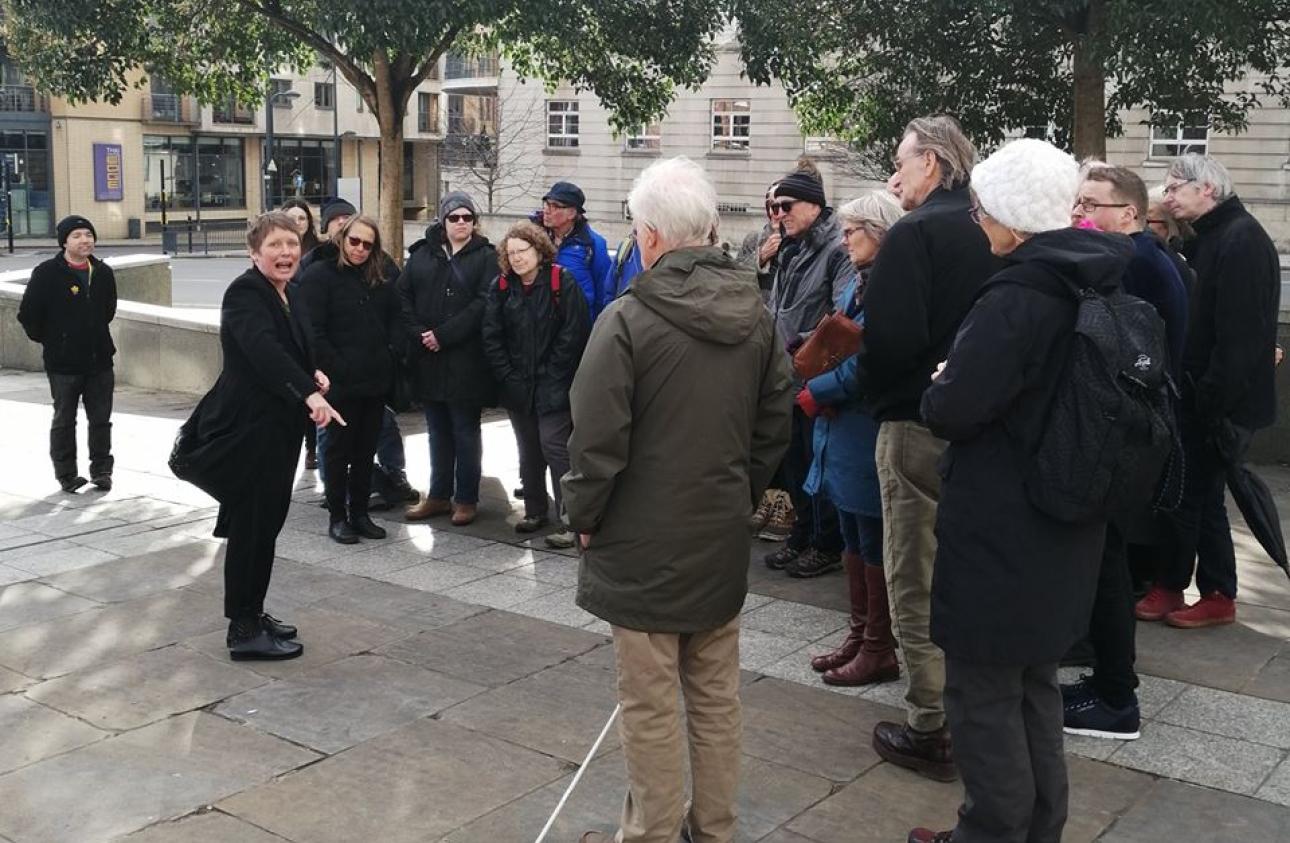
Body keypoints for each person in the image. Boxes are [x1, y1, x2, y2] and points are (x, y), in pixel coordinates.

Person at [908, 138, 1133, 843]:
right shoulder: (1095, 277)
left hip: (1003, 528)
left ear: (1008, 218)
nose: (976, 222)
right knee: (1035, 688)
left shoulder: (1018, 295)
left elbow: (952, 408)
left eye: (980, 210)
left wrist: (943, 377)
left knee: (982, 697)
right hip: (1064, 524)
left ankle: (990, 831)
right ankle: (1039, 829)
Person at [566, 156, 793, 843]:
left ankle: (654, 832)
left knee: (650, 706)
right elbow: (774, 420)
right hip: (716, 535)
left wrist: (583, 517)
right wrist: (741, 491)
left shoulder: (628, 318)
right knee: (716, 697)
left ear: (652, 236)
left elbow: (594, 441)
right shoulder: (755, 314)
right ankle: (714, 828)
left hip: (639, 544)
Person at [857, 115, 996, 782]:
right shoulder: (990, 227)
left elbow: (889, 343)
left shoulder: (915, 233)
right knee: (965, 575)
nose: (894, 176)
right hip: (981, 427)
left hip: (915, 422)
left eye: (903, 162)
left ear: (934, 165)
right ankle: (969, 710)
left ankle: (929, 726)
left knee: (913, 574)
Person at [1064, 165, 1189, 740]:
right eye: (1077, 201)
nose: (1079, 213)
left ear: (1130, 215)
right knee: (1105, 562)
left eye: (1092, 204)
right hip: (1128, 436)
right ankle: (1109, 683)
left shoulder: (1132, 261)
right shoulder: (1139, 256)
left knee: (1110, 565)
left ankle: (1116, 696)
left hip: (1120, 440)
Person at [185, 212, 345, 660]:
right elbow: (262, 350)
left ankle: (253, 612)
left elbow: (292, 347)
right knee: (251, 527)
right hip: (249, 430)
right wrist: (308, 394)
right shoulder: (245, 293)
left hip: (277, 429)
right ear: (254, 252)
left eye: (292, 244)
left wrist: (311, 373)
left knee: (265, 524)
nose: (286, 253)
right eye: (275, 245)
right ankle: (242, 629)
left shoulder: (288, 292)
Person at [1135, 154, 1281, 628]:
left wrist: (1208, 402)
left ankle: (1180, 587)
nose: (1169, 195)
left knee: (1190, 496)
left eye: (1176, 187)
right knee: (1201, 496)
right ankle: (1212, 590)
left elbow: (1239, 338)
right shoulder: (1218, 236)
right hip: (1205, 396)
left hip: (1215, 402)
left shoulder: (1239, 240)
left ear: (1208, 190)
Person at [799, 190, 905, 687]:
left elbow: (870, 364)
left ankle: (878, 645)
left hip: (863, 425)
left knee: (871, 535)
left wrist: (816, 389)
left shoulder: (890, 285)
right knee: (853, 533)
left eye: (852, 231)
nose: (844, 241)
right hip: (843, 427)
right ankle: (861, 635)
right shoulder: (860, 283)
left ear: (879, 231)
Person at [762, 168, 853, 579]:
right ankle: (803, 533)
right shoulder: (790, 247)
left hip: (814, 372)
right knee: (795, 461)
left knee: (819, 463)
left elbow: (840, 315)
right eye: (774, 207)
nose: (779, 214)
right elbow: (776, 304)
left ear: (814, 204)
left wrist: (799, 344)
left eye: (787, 205)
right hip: (786, 373)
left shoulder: (836, 247)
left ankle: (826, 543)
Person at [303, 196, 417, 509]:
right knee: (337, 450)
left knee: (367, 449)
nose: (360, 249)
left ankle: (361, 514)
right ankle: (338, 515)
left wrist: (390, 353)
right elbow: (314, 331)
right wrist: (337, 366)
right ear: (341, 238)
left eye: (368, 245)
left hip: (374, 379)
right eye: (354, 241)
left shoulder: (379, 275)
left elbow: (397, 316)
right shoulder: (319, 275)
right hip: (338, 381)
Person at [482, 221, 590, 549]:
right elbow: (492, 336)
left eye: (522, 251)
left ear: (538, 250)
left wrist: (550, 372)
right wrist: (508, 375)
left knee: (555, 447)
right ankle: (534, 510)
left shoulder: (561, 282)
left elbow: (574, 333)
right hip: (517, 385)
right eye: (510, 252)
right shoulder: (501, 287)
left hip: (555, 384)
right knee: (528, 449)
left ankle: (571, 519)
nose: (516, 258)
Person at [399, 192, 496, 526]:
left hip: (465, 360)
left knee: (465, 431)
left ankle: (466, 498)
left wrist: (445, 335)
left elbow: (484, 303)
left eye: (467, 217)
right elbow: (403, 297)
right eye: (454, 217)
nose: (461, 223)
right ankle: (439, 495)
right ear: (442, 220)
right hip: (428, 358)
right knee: (437, 431)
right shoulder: (422, 255)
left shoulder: (486, 256)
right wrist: (421, 334)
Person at [18, 215, 118, 493]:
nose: (85, 240)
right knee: (64, 419)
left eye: (88, 234)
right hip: (63, 363)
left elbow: (107, 311)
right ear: (64, 242)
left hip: (99, 360)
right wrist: (55, 340)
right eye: (77, 235)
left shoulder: (103, 272)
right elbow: (28, 315)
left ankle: (102, 470)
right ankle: (66, 474)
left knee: (101, 419)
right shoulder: (47, 273)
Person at [281, 199, 321, 469]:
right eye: (292, 218)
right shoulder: (280, 254)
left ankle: (313, 447)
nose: (298, 222)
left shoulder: (318, 253)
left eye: (302, 218)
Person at [538, 181, 613, 320]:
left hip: (578, 326)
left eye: (555, 206)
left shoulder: (593, 245)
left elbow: (604, 293)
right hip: (541, 325)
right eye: (547, 204)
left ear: (572, 213)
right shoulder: (534, 238)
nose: (547, 211)